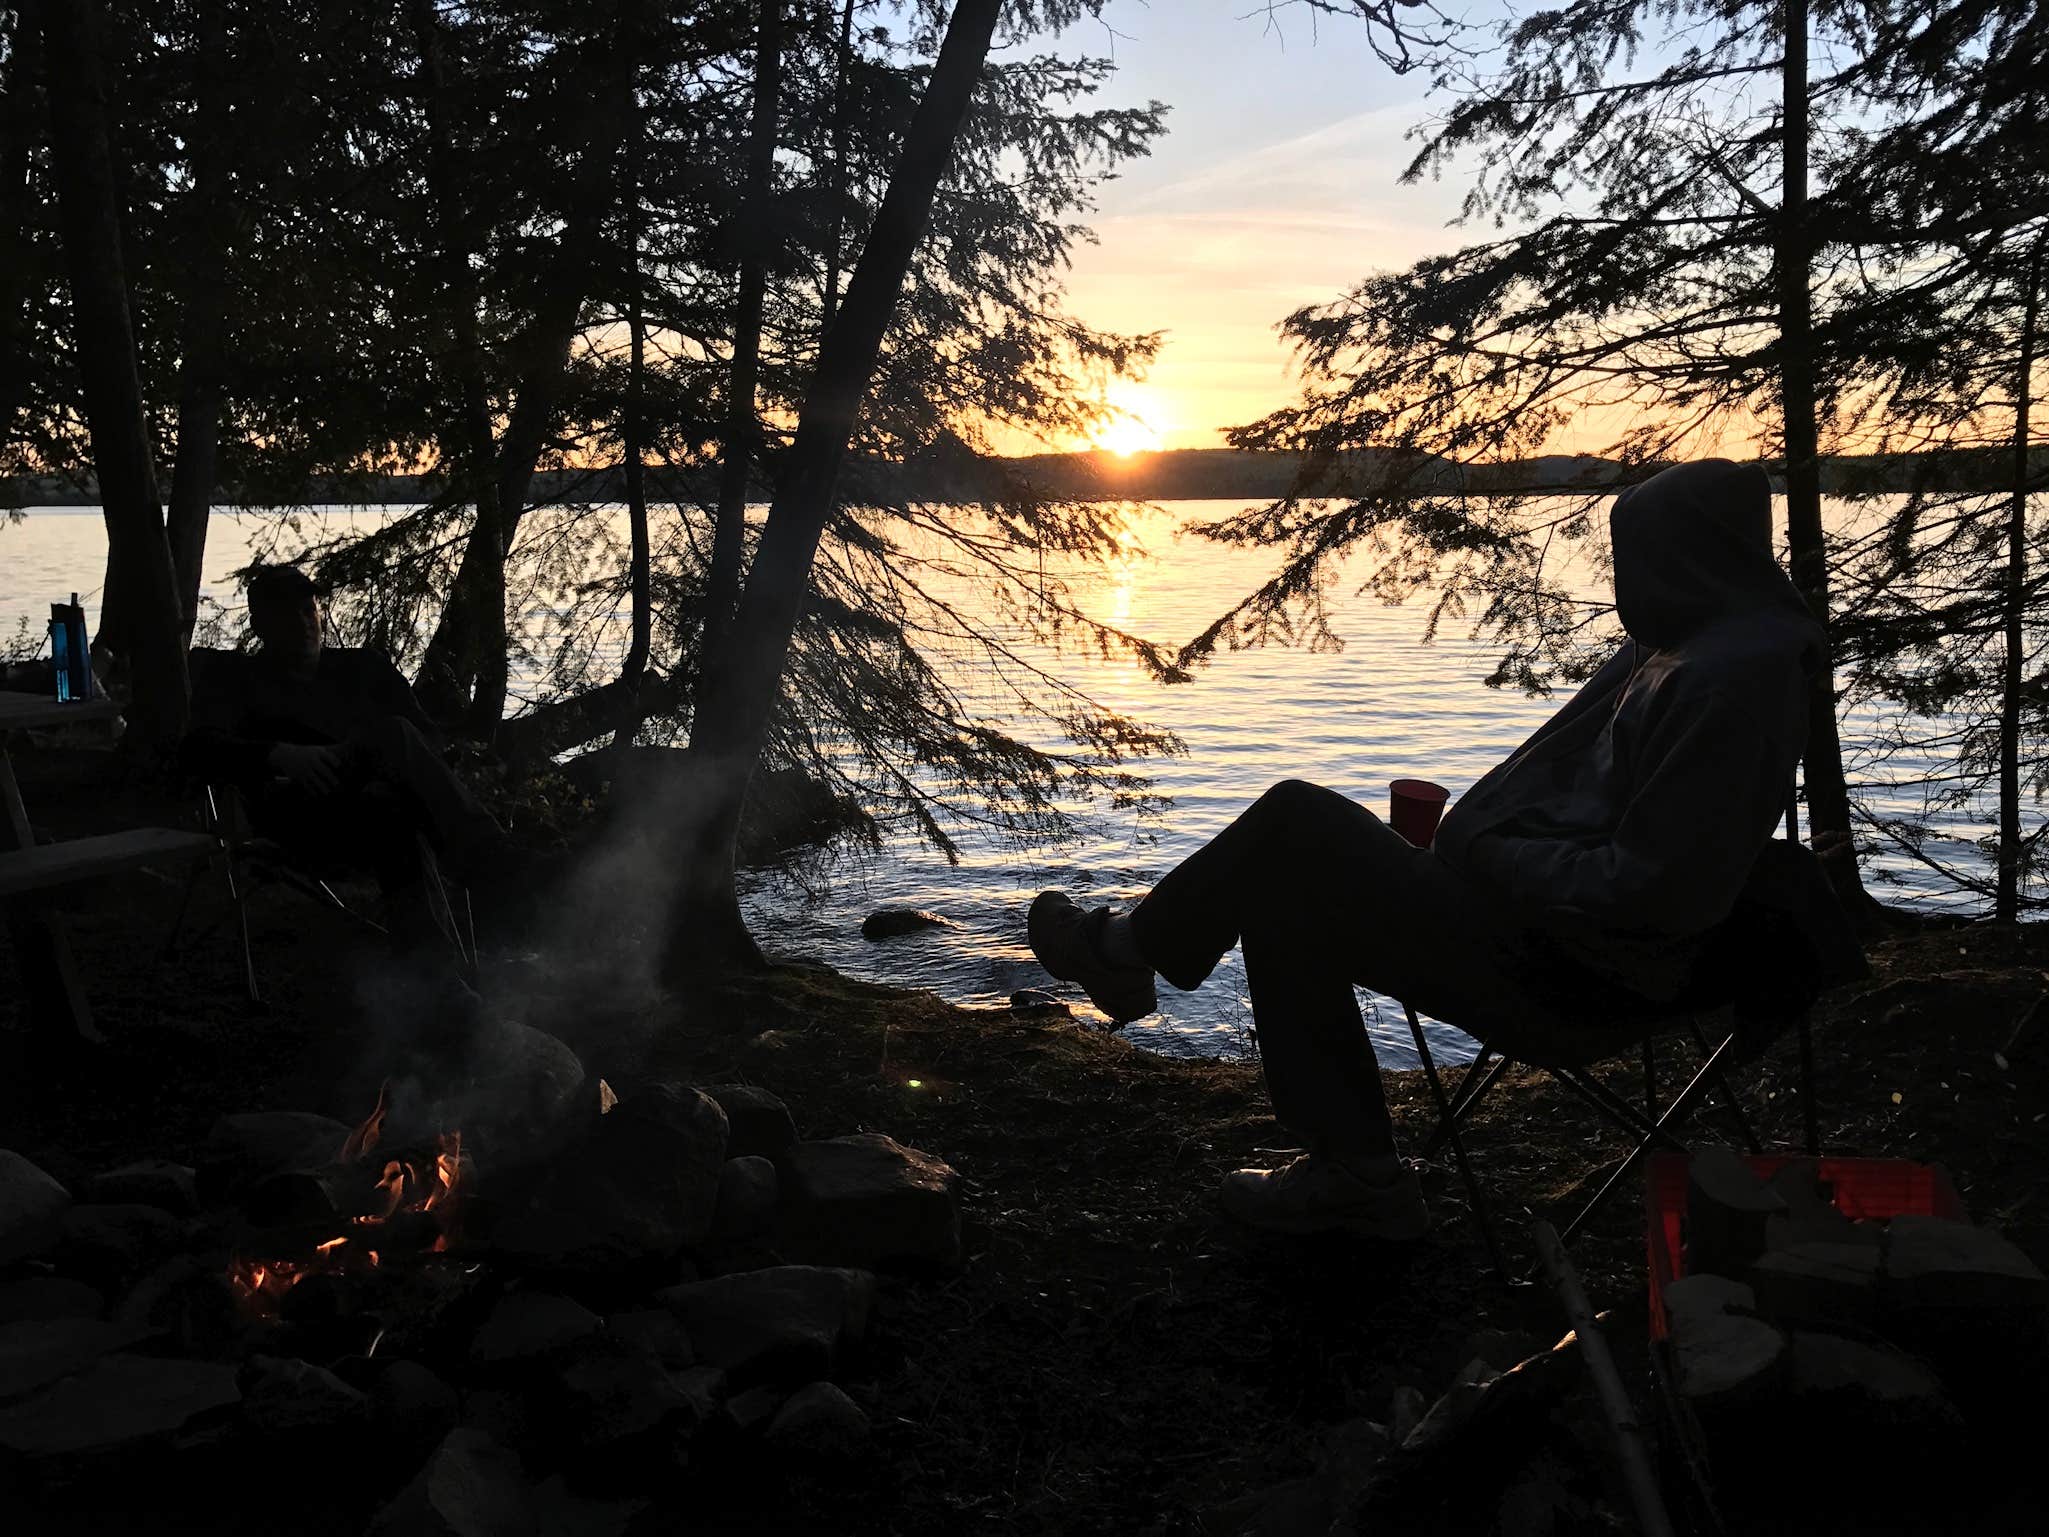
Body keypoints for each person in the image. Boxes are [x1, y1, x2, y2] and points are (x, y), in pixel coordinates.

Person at [1028, 459, 1833, 1241]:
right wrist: (1482, 842)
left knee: (1294, 820)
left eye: (1636, 556)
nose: (1625, 581)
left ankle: (1123, 951)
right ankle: (1358, 1176)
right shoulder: (1689, 641)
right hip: (1540, 926)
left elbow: (1654, 893)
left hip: (1573, 976)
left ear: (1685, 553)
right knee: (1283, 882)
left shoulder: (1727, 685)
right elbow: (1577, 796)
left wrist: (1488, 852)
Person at [183, 564, 526, 965]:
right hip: (298, 816)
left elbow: (428, 740)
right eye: (286, 613)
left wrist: (376, 763)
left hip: (371, 807)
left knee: (392, 811)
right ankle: (499, 865)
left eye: (309, 609)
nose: (303, 622)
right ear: (259, 625)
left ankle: (438, 986)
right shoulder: (237, 679)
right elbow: (197, 749)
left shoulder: (364, 668)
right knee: (393, 735)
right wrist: (279, 754)